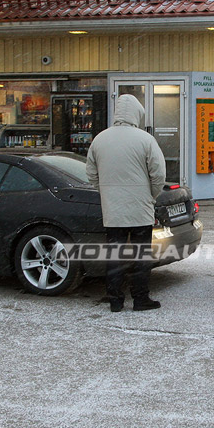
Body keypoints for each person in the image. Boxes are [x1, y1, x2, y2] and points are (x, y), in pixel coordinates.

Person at [86, 94, 166, 312]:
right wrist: (151, 195)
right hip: (140, 209)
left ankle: (115, 300)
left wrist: (106, 192)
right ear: (137, 114)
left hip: (113, 211)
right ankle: (140, 298)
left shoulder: (100, 139)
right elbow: (158, 174)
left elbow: (91, 174)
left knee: (115, 255)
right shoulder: (145, 139)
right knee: (141, 256)